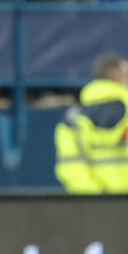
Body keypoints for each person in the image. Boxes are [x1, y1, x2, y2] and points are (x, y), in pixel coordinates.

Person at [55, 53, 128, 193]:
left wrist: (96, 200)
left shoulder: (71, 122)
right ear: (119, 77)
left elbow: (71, 168)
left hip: (92, 208)